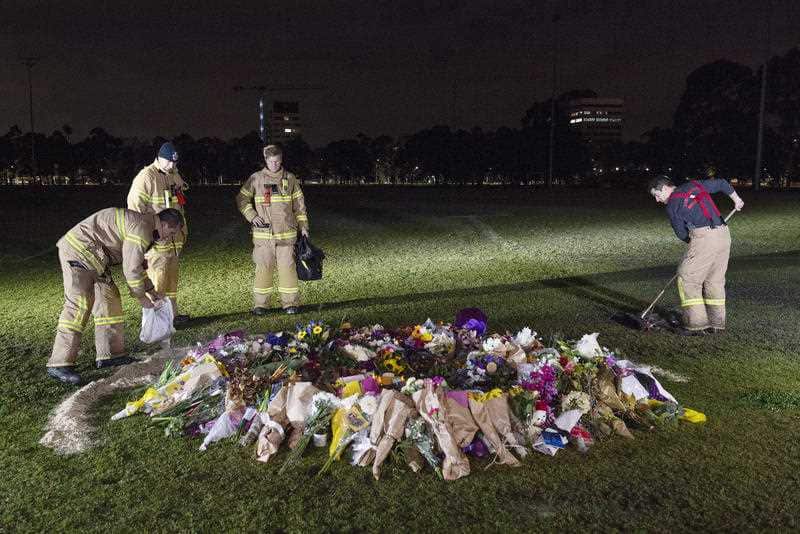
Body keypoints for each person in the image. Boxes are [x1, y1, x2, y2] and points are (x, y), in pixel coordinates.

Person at [47, 208, 185, 385]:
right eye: (171, 232)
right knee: (79, 304)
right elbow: (131, 269)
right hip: (79, 253)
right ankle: (59, 363)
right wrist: (143, 299)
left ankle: (110, 355)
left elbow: (136, 267)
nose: (169, 237)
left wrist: (151, 291)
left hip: (95, 258)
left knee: (110, 299)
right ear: (164, 224)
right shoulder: (143, 228)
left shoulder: (146, 226)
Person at [648, 174, 744, 334]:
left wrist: (694, 243)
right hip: (724, 234)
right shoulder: (694, 185)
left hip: (704, 238)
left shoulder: (672, 204)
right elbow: (721, 183)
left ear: (665, 188)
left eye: (657, 196)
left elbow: (681, 233)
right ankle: (716, 323)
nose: (657, 200)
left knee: (687, 278)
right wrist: (737, 199)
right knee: (715, 281)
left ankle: (697, 324)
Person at [235, 144, 309, 315]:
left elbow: (300, 206)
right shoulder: (256, 178)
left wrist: (304, 228)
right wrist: (252, 216)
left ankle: (290, 303)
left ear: (281, 160)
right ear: (266, 160)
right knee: (263, 269)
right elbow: (241, 199)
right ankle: (261, 305)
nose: (275, 165)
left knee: (288, 270)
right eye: (272, 161)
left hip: (287, 236)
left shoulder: (290, 179)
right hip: (263, 236)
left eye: (278, 161)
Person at [126, 142, 190, 326]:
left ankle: (172, 315)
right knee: (157, 282)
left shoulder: (173, 174)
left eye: (175, 163)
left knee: (170, 283)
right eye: (169, 162)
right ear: (159, 158)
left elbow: (179, 201)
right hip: (157, 242)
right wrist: (146, 235)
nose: (172, 166)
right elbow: (135, 209)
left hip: (174, 241)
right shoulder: (146, 177)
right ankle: (158, 321)